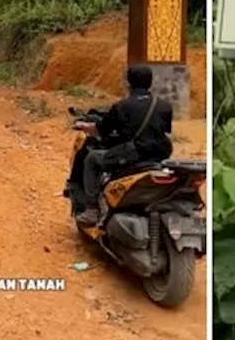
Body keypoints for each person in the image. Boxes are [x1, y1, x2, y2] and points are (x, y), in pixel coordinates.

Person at [74, 65, 174, 227]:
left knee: (92, 159)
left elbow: (100, 130)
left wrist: (82, 125)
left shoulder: (122, 106)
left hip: (134, 154)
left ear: (129, 83)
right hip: (159, 154)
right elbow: (165, 130)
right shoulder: (164, 106)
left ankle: (92, 209)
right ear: (150, 82)